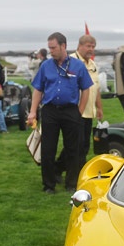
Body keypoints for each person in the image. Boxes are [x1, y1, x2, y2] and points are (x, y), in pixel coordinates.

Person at [26, 32, 92, 194]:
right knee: (48, 149)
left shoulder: (78, 66)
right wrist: (33, 112)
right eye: (49, 48)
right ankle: (49, 185)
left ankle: (71, 183)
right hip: (50, 111)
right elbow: (38, 89)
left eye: (54, 48)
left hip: (70, 111)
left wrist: (79, 111)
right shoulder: (46, 66)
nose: (51, 51)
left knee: (73, 149)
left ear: (63, 46)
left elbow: (86, 89)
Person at [57, 34, 104, 166]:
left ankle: (59, 168)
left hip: (89, 112)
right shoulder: (70, 61)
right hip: (75, 110)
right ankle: (75, 172)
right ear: (80, 46)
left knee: (83, 145)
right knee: (75, 145)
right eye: (88, 46)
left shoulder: (93, 65)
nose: (91, 49)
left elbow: (96, 88)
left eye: (93, 47)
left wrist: (99, 107)